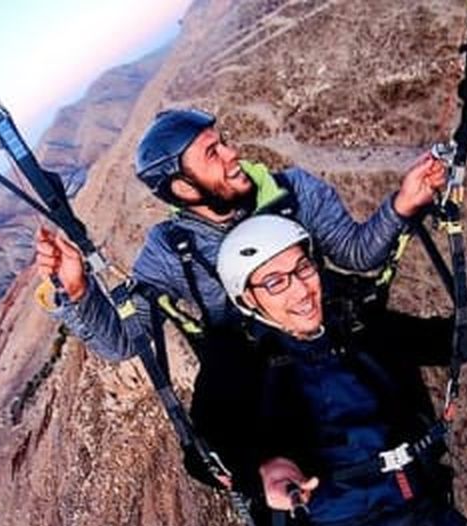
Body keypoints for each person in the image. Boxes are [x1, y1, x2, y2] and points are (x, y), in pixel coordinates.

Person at [190, 215, 467, 526]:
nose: (300, 289)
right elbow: (200, 452)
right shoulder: (236, 358)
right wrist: (259, 472)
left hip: (422, 521)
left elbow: (447, 342)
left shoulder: (356, 323)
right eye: (274, 282)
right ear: (247, 298)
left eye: (303, 267)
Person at [34, 108, 446, 359]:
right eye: (213, 153)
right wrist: (77, 292)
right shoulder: (171, 251)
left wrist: (403, 204)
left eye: (223, 143)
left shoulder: (294, 191)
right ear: (182, 187)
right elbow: (125, 343)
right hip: (266, 384)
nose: (234, 155)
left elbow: (356, 254)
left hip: (337, 340)